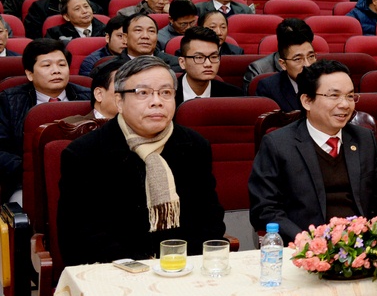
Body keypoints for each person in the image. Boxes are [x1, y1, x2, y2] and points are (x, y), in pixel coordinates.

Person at [57, 56, 226, 266]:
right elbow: (79, 234)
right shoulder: (85, 153)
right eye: (143, 93)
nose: (157, 101)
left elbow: (210, 219)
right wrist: (139, 267)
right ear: (119, 101)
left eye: (166, 92)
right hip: (115, 270)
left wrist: (183, 264)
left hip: (183, 266)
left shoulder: (194, 145)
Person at [249, 60, 377, 240]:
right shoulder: (278, 144)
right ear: (307, 101)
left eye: (350, 96)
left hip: (360, 245)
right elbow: (265, 210)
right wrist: (305, 240)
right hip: (306, 246)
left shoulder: (364, 139)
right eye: (334, 96)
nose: (345, 104)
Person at [0, 39, 93, 195]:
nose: (56, 71)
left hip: (85, 179)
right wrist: (30, 170)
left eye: (62, 65)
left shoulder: (89, 97)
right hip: (27, 182)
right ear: (30, 74)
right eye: (46, 65)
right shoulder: (9, 101)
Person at [255, 25, 318, 112]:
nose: (307, 65)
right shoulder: (269, 88)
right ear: (283, 64)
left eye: (311, 56)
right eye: (298, 59)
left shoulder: (327, 81)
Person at [175, 27, 243, 104]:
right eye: (199, 57)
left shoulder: (234, 96)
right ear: (182, 62)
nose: (208, 64)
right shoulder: (169, 93)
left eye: (213, 57)